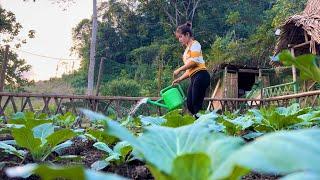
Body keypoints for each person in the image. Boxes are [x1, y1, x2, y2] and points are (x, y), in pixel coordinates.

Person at [172, 22, 210, 119]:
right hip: (194, 77)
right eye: (179, 38)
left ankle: (202, 124)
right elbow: (189, 70)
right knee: (189, 104)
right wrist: (179, 79)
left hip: (201, 75)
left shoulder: (195, 44)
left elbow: (194, 62)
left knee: (196, 103)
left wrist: (179, 69)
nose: (180, 40)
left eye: (181, 37)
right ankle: (198, 120)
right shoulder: (185, 52)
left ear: (187, 35)